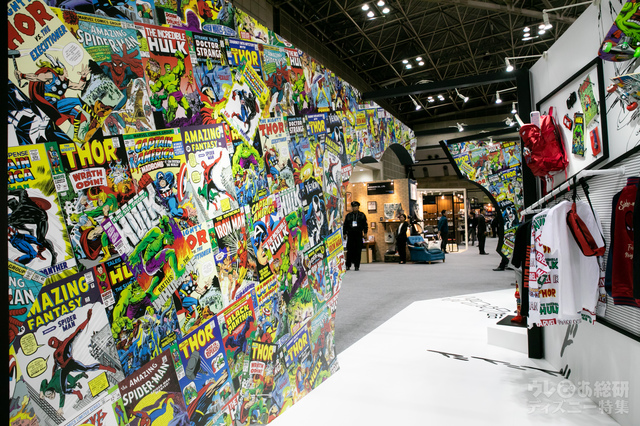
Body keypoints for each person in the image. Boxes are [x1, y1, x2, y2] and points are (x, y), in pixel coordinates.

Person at [343, 201, 368, 271]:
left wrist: (365, 233)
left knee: (358, 250)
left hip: (358, 234)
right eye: (353, 207)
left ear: (358, 207)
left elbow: (365, 225)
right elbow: (345, 225)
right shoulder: (348, 215)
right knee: (349, 250)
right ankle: (348, 265)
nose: (355, 208)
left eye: (356, 206)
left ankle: (357, 265)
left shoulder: (362, 215)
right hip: (350, 234)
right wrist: (344, 233)